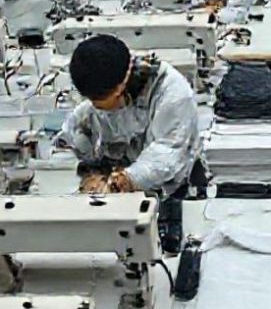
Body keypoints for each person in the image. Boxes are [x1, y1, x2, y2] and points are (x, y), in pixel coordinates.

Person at [56, 35, 200, 197]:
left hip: (171, 189)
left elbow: (165, 155)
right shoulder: (98, 85)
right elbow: (69, 138)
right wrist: (85, 174)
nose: (96, 108)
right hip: (115, 176)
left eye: (101, 103)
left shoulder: (173, 95)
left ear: (119, 90)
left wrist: (122, 181)